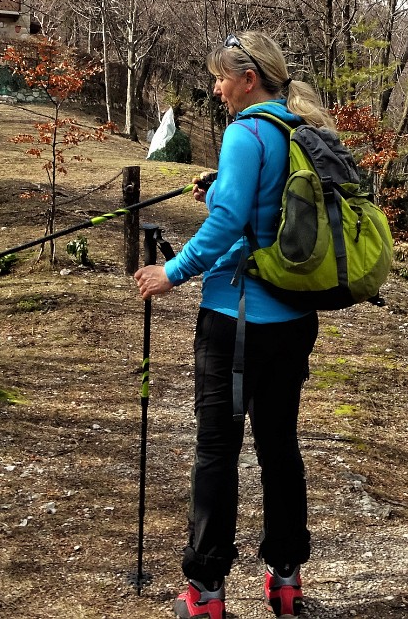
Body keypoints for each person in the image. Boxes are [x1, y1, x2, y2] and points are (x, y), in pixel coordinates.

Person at [134, 31, 329, 619]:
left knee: (217, 451)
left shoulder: (246, 132)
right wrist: (219, 186)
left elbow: (224, 227)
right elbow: (261, 209)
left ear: (249, 78)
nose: (216, 88)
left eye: (222, 77)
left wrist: (172, 271)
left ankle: (206, 591)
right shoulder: (300, 130)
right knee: (279, 448)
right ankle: (286, 581)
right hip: (295, 318)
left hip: (236, 319)